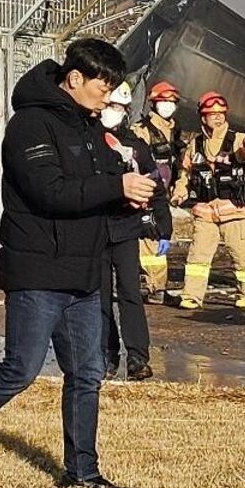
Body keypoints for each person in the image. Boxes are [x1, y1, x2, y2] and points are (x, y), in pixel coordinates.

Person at [0, 39, 148, 488]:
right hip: (38, 269)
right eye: (104, 88)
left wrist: (132, 190)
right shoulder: (29, 125)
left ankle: (82, 473)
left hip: (84, 270)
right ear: (75, 78)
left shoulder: (88, 126)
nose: (109, 99)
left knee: (87, 372)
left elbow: (97, 185)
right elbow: (50, 192)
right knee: (20, 368)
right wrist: (113, 184)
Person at [169, 91, 245, 310]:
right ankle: (192, 295)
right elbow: (185, 173)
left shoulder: (237, 139)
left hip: (234, 211)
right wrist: (180, 191)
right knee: (198, 256)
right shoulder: (196, 144)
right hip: (205, 211)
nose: (218, 117)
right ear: (203, 118)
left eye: (221, 113)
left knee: (242, 256)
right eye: (212, 114)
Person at [99, 82, 155, 381]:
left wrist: (160, 222)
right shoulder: (88, 141)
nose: (113, 113)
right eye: (110, 106)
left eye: (119, 108)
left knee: (131, 292)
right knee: (99, 296)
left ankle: (138, 357)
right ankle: (106, 356)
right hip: (95, 228)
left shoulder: (136, 147)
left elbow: (155, 182)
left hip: (126, 227)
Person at [129, 81, 183, 302]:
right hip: (147, 188)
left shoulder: (174, 130)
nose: (168, 106)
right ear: (154, 103)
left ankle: (156, 285)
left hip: (163, 191)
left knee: (160, 233)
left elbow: (178, 164)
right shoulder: (141, 130)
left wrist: (179, 188)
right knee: (148, 234)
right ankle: (151, 285)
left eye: (172, 102)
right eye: (164, 102)